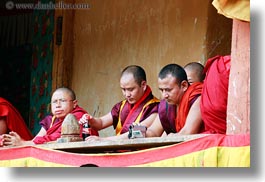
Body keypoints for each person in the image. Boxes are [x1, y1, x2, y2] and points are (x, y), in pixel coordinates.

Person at [79, 65, 160, 140]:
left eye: (131, 89)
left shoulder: (155, 107)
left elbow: (138, 132)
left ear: (143, 85)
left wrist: (104, 140)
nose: (127, 94)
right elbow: (101, 123)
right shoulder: (122, 106)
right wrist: (91, 121)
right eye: (123, 89)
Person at [1, 87, 98, 146]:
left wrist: (23, 143)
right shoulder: (50, 120)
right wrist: (19, 142)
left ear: (74, 104)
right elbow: (35, 141)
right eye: (54, 102)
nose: (58, 105)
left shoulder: (79, 116)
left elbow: (58, 137)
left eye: (63, 101)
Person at [146, 63, 204, 137]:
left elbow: (188, 132)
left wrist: (172, 137)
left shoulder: (196, 98)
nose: (164, 96)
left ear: (184, 85)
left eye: (168, 90)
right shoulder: (166, 105)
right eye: (161, 90)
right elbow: (154, 131)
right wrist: (139, 134)